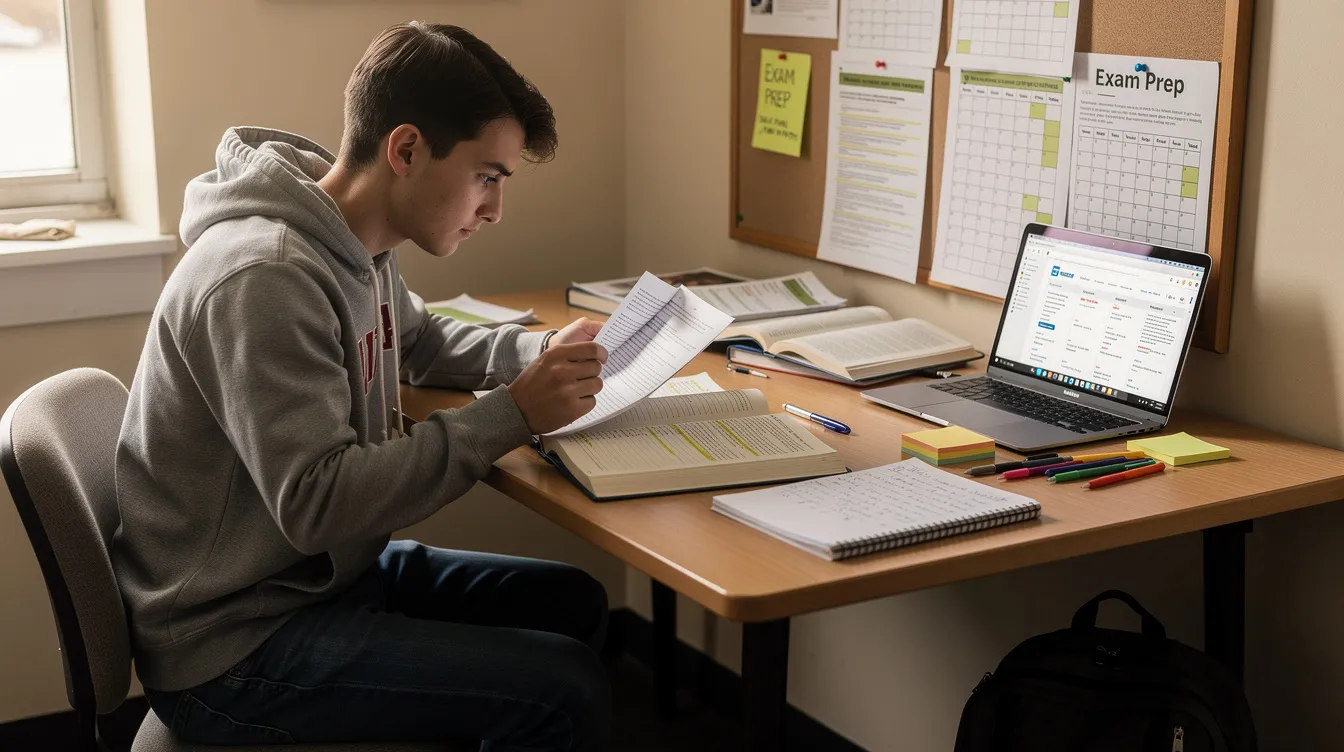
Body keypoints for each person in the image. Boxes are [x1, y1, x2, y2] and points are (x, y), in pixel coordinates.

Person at [113, 21, 611, 751]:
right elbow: (318, 502)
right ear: (406, 149)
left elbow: (419, 340)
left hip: (316, 583)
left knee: (571, 603)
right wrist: (513, 413)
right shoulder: (268, 276)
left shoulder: (351, 240)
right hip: (235, 643)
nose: (495, 209)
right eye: (487, 177)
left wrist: (538, 351)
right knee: (565, 690)